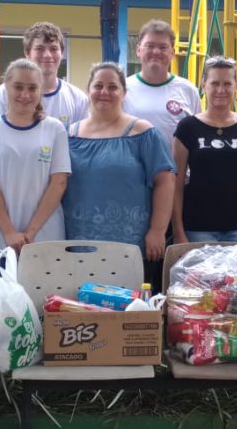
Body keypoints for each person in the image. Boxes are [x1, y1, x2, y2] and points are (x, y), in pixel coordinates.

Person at [63, 62, 175, 272]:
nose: (104, 92)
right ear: (89, 90)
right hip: (76, 242)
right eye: (98, 86)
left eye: (113, 87)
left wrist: (157, 230)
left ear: (124, 93)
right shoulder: (68, 135)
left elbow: (166, 182)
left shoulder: (143, 133)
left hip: (130, 245)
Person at [172, 56, 237, 244]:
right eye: (214, 83)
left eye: (227, 83)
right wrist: (178, 232)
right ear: (203, 85)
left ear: (236, 85)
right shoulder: (187, 128)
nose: (220, 90)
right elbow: (176, 185)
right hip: (197, 228)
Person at [0, 59, 70, 251]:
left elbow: (59, 182)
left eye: (32, 88)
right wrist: (9, 232)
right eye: (18, 87)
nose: (25, 95)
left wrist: (30, 232)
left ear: (40, 90)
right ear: (6, 88)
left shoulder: (55, 129)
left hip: (45, 233)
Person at [0, 21, 89, 129]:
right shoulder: (5, 92)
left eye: (53, 49)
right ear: (27, 53)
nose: (47, 55)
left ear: (62, 52)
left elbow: (82, 142)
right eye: (39, 49)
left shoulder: (78, 99)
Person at [123, 20, 201, 147]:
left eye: (163, 47)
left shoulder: (188, 90)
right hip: (131, 167)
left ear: (172, 53)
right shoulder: (123, 89)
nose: (156, 52)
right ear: (138, 50)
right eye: (150, 46)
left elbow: (197, 137)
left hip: (176, 167)